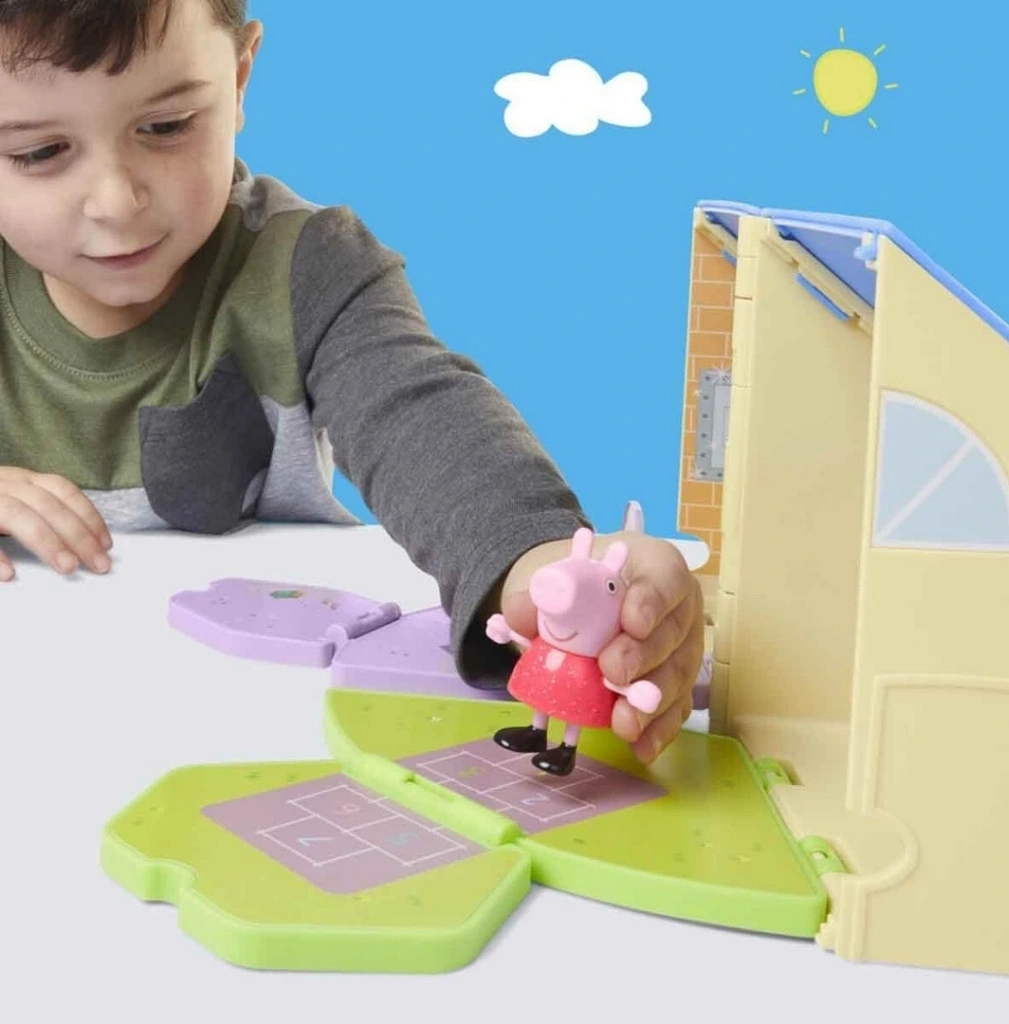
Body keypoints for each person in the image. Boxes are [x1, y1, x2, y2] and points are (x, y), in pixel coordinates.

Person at [0, 0, 703, 765]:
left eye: (167, 126)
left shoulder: (310, 269)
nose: (116, 201)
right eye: (39, 152)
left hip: (242, 718)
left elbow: (420, 417)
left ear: (239, 78)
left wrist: (535, 567)